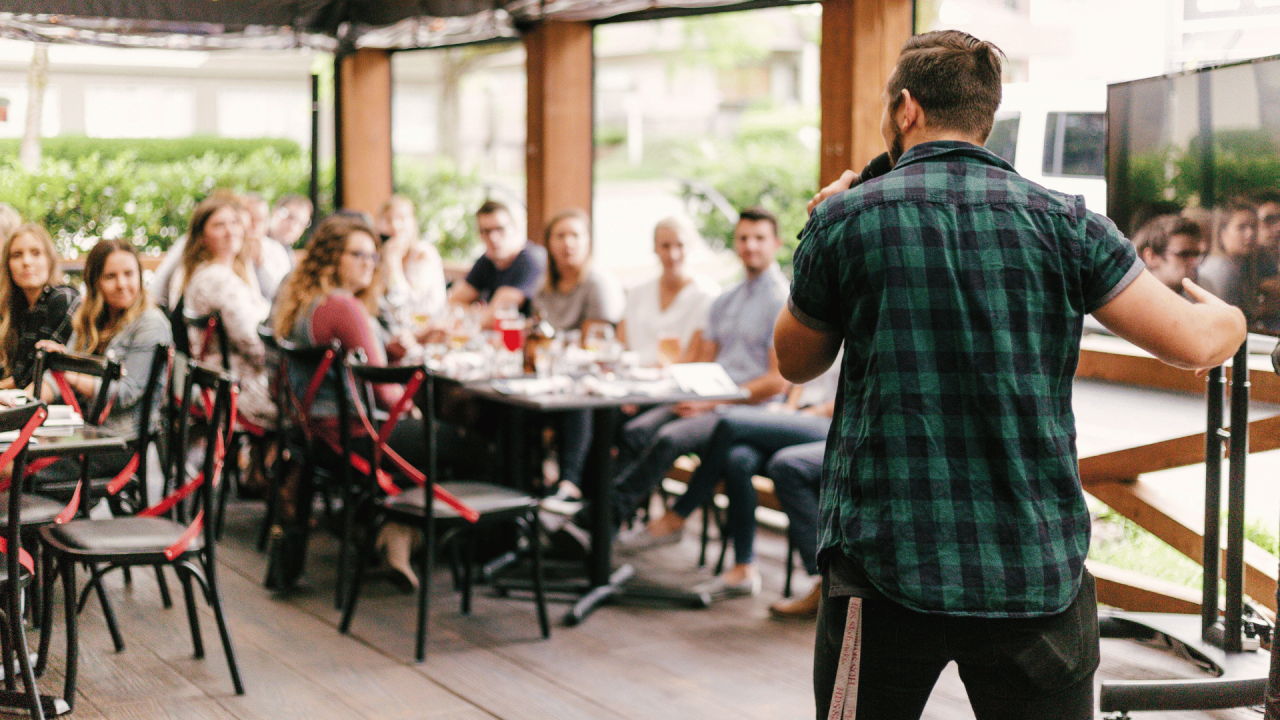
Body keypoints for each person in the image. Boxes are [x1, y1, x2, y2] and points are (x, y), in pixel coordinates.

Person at [777, 30, 1246, 720]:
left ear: (906, 108)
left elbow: (795, 358)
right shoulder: (1066, 223)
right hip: (1032, 565)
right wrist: (1232, 315)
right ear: (986, 116)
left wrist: (819, 230)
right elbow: (1195, 344)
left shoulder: (848, 218)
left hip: (884, 564)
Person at [573, 207, 790, 557]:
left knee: (667, 438)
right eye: (743, 238)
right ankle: (603, 522)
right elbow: (705, 361)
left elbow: (777, 381)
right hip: (707, 399)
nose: (750, 246)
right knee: (635, 430)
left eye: (759, 238)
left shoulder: (782, 302)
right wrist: (684, 394)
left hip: (746, 411)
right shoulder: (726, 299)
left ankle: (597, 522)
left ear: (776, 244)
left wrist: (712, 401)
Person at [272, 213, 428, 591]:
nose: (368, 264)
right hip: (355, 438)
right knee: (469, 443)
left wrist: (387, 350)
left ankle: (389, 527)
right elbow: (385, 393)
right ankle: (402, 529)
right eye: (357, 254)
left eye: (373, 256)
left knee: (438, 433)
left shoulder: (305, 301)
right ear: (331, 258)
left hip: (317, 439)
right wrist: (414, 408)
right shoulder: (344, 306)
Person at [622, 360, 838, 600]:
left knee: (728, 424)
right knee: (737, 460)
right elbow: (798, 380)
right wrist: (789, 408)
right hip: (792, 417)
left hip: (823, 423)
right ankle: (744, 568)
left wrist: (797, 414)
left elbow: (847, 399)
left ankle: (679, 513)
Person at [34, 239, 172, 504]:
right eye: (111, 276)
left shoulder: (151, 324)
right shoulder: (91, 317)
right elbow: (57, 378)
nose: (122, 284)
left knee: (24, 474)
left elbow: (125, 394)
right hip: (84, 433)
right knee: (16, 459)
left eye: (129, 274)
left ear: (140, 277)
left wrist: (69, 371)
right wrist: (23, 402)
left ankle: (42, 541)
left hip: (119, 444)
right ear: (95, 281)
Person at [534, 209, 624, 496]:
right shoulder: (543, 290)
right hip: (550, 379)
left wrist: (553, 345)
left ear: (588, 242)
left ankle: (569, 484)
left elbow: (592, 346)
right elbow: (534, 342)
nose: (567, 243)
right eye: (560, 236)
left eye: (575, 235)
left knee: (577, 400)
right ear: (549, 243)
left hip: (591, 382)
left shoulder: (597, 285)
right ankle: (527, 484)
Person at [179, 193, 274, 430]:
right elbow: (253, 343)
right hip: (235, 389)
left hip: (224, 383)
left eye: (234, 223)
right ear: (202, 237)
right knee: (311, 410)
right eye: (219, 225)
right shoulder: (217, 280)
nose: (230, 231)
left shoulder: (220, 273)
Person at [618, 216, 720, 366]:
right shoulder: (637, 293)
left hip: (676, 382)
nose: (673, 254)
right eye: (665, 246)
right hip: (631, 378)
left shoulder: (706, 294)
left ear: (690, 247)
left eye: (680, 245)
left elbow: (695, 357)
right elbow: (621, 345)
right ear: (655, 248)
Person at [0, 224, 78, 391]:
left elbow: (29, 375)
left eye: (36, 253)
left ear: (49, 259)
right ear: (8, 264)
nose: (26, 262)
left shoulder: (63, 298)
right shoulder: (14, 307)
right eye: (17, 255)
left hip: (54, 407)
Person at [447, 200, 546, 322]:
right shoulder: (487, 260)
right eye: (486, 231)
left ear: (514, 227)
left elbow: (493, 319)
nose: (493, 238)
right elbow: (451, 305)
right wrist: (481, 312)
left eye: (500, 229)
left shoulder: (531, 259)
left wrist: (475, 312)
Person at [377, 196, 447, 326]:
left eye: (401, 218)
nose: (395, 226)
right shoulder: (379, 255)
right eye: (388, 220)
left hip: (426, 328)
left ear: (413, 223)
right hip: (393, 327)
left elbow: (409, 307)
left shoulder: (424, 254)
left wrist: (393, 263)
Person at [1196, 196, 1260, 317]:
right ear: (1222, 233)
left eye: (1254, 226)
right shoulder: (1220, 271)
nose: (1250, 233)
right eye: (1241, 227)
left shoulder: (1240, 266)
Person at [1131, 214, 1205, 293]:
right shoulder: (1129, 300)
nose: (1194, 262)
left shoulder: (1203, 291)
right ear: (1151, 257)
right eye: (1184, 255)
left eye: (1196, 254)